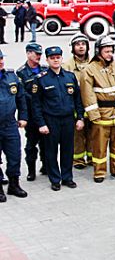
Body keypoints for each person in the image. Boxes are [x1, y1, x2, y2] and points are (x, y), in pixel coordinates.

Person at [31, 46, 85, 191]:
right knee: (51, 151)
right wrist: (41, 124)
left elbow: (77, 100)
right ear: (47, 60)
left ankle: (67, 177)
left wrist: (80, 117)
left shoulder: (70, 76)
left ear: (61, 58)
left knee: (68, 150)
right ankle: (55, 179)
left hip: (68, 120)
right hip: (51, 121)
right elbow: (36, 105)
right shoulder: (41, 79)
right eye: (52, 58)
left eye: (58, 57)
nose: (55, 60)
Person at [80, 37, 115, 183]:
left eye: (111, 51)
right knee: (99, 147)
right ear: (98, 51)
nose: (109, 54)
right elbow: (87, 95)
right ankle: (99, 173)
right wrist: (94, 116)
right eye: (106, 51)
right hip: (101, 116)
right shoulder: (89, 70)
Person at [0, 49, 29, 202]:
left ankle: (14, 184)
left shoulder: (11, 77)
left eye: (1, 59)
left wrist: (23, 117)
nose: (1, 62)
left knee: (14, 155)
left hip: (10, 124)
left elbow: (21, 99)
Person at [17, 42, 48, 181]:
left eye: (40, 54)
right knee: (31, 144)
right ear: (28, 53)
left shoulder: (46, 69)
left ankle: (46, 165)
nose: (39, 57)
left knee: (46, 142)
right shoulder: (21, 72)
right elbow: (22, 95)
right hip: (30, 115)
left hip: (45, 113)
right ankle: (31, 170)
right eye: (36, 54)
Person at [63, 34, 92, 169]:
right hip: (75, 104)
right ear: (73, 48)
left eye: (83, 44)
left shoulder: (95, 63)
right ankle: (78, 159)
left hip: (92, 103)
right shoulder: (67, 66)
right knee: (77, 134)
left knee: (93, 132)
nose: (81, 46)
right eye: (77, 44)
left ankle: (93, 157)